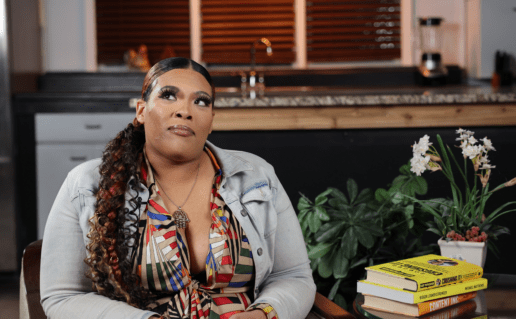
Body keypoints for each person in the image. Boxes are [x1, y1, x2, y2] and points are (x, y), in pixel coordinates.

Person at [40, 57, 316, 319]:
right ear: (141, 111)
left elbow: (293, 276)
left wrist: (263, 313)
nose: (184, 110)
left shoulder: (257, 176)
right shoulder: (88, 184)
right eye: (168, 95)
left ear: (211, 120)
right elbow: (63, 297)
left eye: (201, 101)